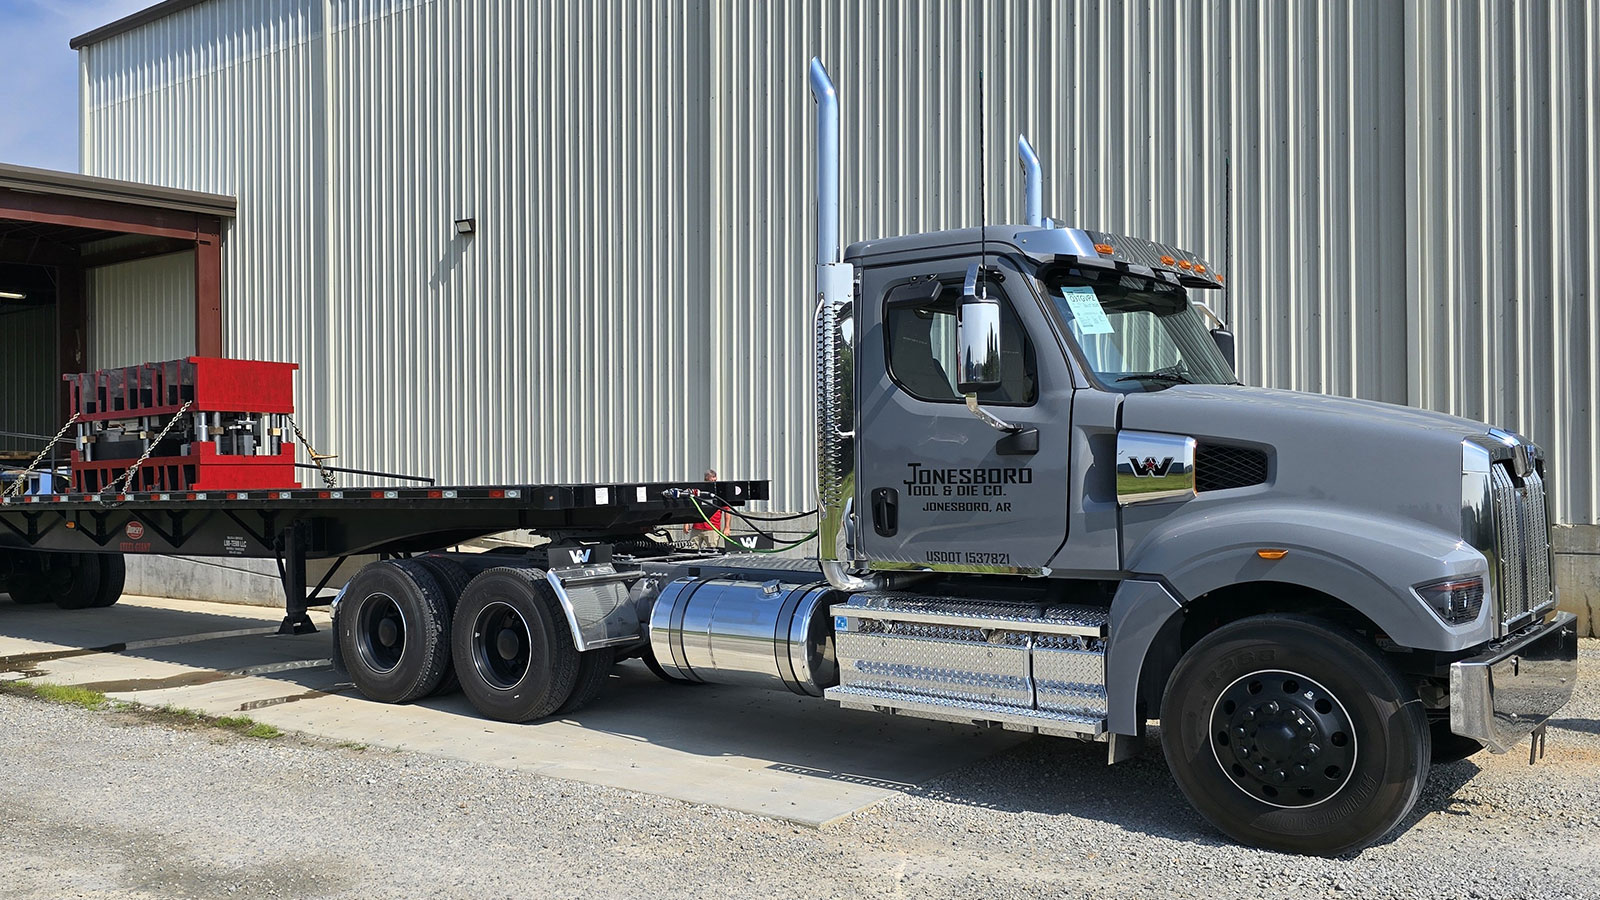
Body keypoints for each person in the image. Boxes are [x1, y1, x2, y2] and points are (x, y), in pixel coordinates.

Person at [683, 468, 726, 549]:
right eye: (712, 478)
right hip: (697, 527)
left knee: (712, 551)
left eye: (715, 478)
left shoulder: (719, 493)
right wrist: (686, 523)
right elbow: (691, 507)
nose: (714, 480)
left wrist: (727, 527)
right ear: (706, 479)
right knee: (692, 550)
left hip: (712, 529)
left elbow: (727, 510)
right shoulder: (698, 491)